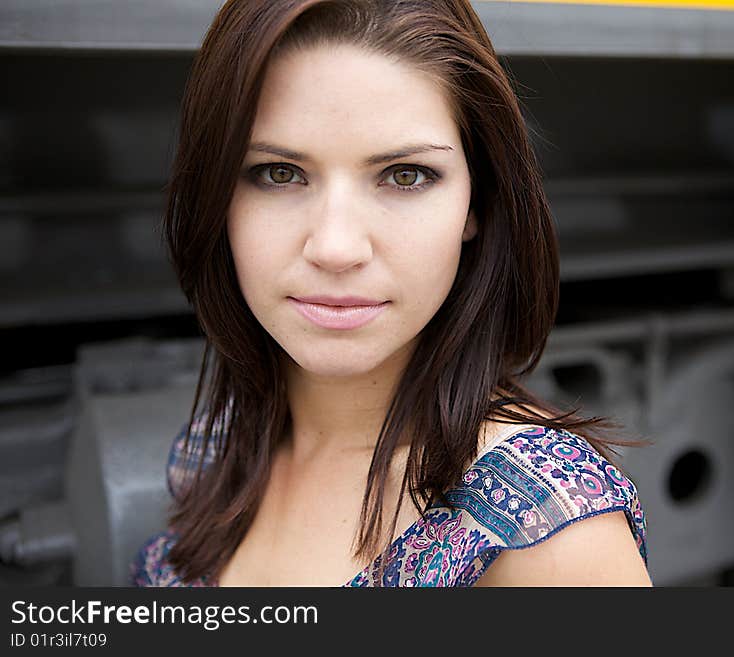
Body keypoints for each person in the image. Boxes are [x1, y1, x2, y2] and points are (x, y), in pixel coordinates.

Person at [131, 0, 651, 587]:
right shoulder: (209, 453)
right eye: (279, 173)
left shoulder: (547, 528)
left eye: (405, 175)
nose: (335, 247)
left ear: (475, 203)